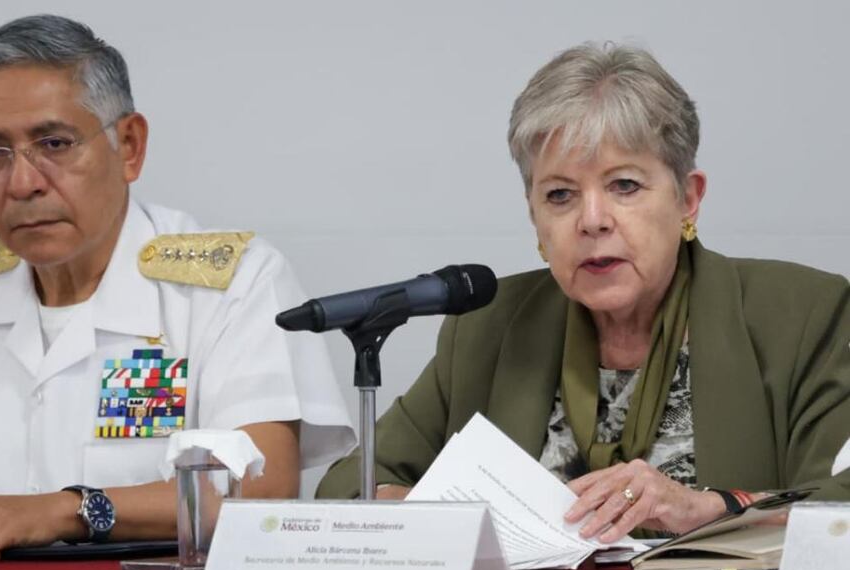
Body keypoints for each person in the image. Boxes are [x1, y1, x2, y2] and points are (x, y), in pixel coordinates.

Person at [0, 14, 353, 562]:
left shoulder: (226, 284)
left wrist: (65, 510)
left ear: (129, 146)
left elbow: (260, 490)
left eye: (54, 144)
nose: (22, 183)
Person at [318, 43, 850, 541]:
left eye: (624, 186)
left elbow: (840, 502)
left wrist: (711, 507)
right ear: (534, 215)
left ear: (688, 198)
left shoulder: (800, 315)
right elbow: (351, 483)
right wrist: (453, 520)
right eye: (560, 195)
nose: (592, 220)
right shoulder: (488, 325)